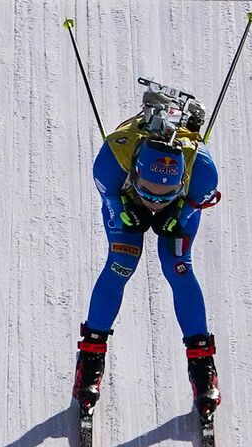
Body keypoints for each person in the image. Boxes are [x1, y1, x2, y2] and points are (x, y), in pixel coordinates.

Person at [72, 105, 223, 418]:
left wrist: (178, 212)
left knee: (179, 268)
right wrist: (128, 210)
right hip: (126, 199)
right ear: (136, 172)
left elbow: (195, 202)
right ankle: (90, 360)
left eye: (165, 191)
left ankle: (202, 364)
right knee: (120, 265)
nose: (155, 201)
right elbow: (111, 198)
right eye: (150, 191)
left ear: (182, 178)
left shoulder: (203, 172)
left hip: (179, 203)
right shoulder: (112, 159)